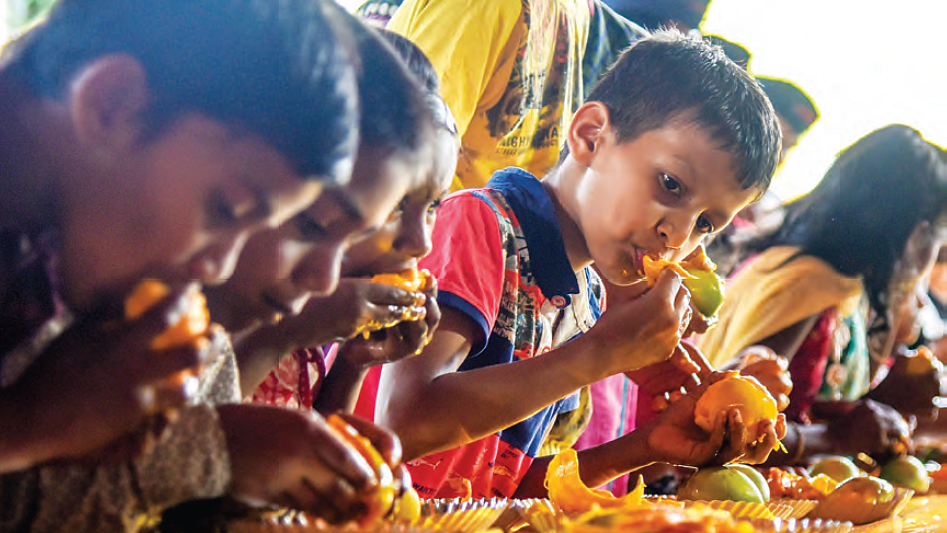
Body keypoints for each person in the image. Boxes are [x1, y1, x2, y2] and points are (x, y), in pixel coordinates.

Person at [0, 1, 409, 531]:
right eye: (227, 210)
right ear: (114, 102)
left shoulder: (43, 264)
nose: (219, 266)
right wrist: (31, 424)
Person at [373, 29, 784, 501]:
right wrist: (601, 353)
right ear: (591, 136)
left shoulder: (583, 297)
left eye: (706, 223)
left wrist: (644, 446)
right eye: (671, 184)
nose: (678, 235)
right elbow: (403, 422)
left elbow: (506, 486)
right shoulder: (481, 225)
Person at [698, 124, 947, 465]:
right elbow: (733, 423)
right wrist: (837, 436)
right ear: (919, 236)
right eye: (941, 242)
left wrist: (881, 404)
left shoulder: (841, 290)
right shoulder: (807, 284)